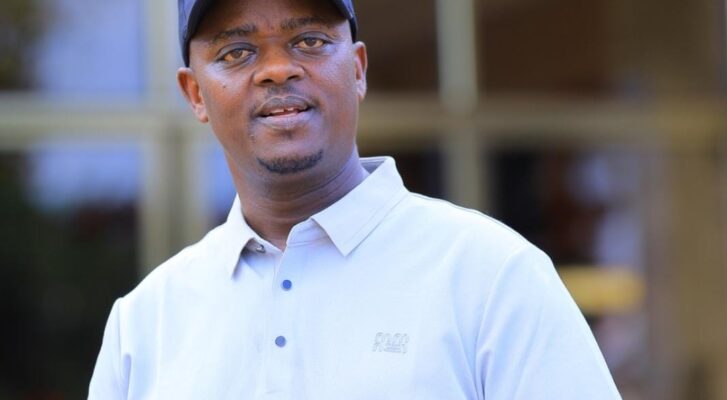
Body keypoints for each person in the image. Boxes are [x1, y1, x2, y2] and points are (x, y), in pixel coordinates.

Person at [89, 0, 621, 398]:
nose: (277, 69)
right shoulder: (146, 322)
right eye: (237, 52)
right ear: (194, 94)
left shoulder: (491, 274)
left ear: (359, 69)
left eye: (310, 41)